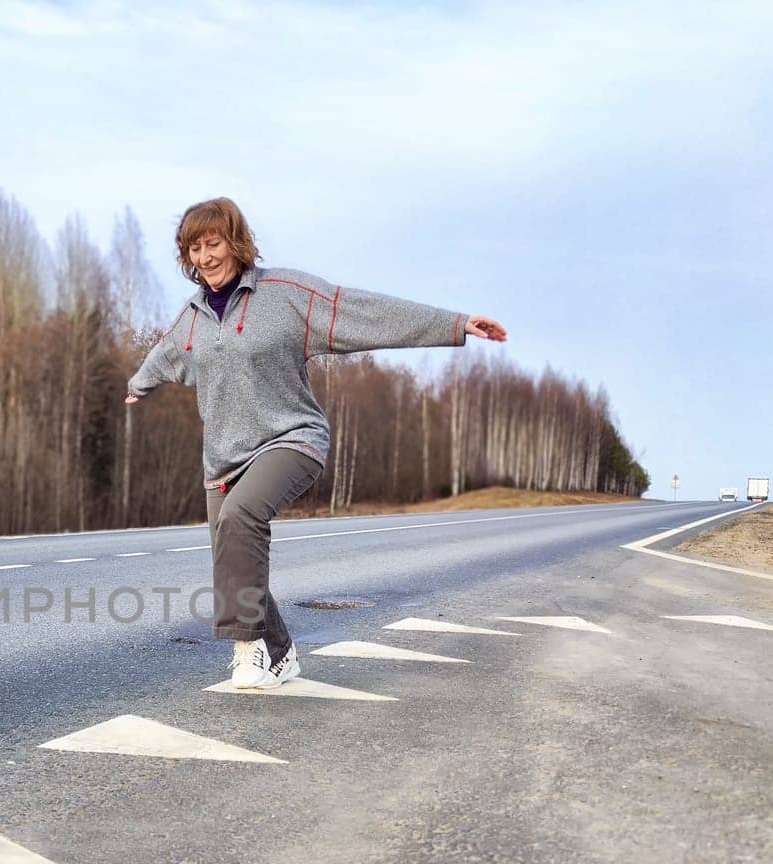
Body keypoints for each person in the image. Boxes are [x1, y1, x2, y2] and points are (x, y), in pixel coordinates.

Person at [125, 197, 507, 689]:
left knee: (242, 518)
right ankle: (282, 654)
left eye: (213, 243)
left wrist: (454, 324)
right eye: (193, 249)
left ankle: (249, 650)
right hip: (224, 457)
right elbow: (165, 354)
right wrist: (139, 383)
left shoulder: (285, 294)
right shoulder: (193, 317)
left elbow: (363, 312)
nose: (204, 257)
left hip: (292, 440)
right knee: (233, 557)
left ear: (236, 243)